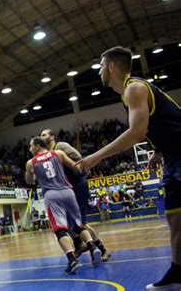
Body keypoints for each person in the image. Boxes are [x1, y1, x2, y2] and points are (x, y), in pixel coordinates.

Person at [76, 46, 181, 290]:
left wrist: (96, 157)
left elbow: (137, 132)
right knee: (175, 217)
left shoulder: (134, 88)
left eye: (101, 66)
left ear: (111, 67)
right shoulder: (128, 93)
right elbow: (165, 121)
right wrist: (158, 150)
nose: (99, 72)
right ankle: (178, 272)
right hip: (172, 155)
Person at [25, 137, 101, 274]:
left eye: (31, 146)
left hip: (51, 195)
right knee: (78, 224)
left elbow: (29, 181)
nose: (30, 149)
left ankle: (72, 259)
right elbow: (76, 167)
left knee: (60, 229)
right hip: (68, 191)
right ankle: (92, 246)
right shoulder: (58, 153)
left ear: (37, 146)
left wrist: (30, 173)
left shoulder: (31, 163)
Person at [41, 129, 110, 261]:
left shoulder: (61, 147)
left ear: (52, 136)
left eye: (44, 134)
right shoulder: (48, 154)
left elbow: (80, 159)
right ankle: (79, 244)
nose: (41, 137)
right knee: (66, 221)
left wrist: (82, 174)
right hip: (68, 189)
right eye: (40, 135)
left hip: (78, 185)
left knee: (80, 222)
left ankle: (102, 249)